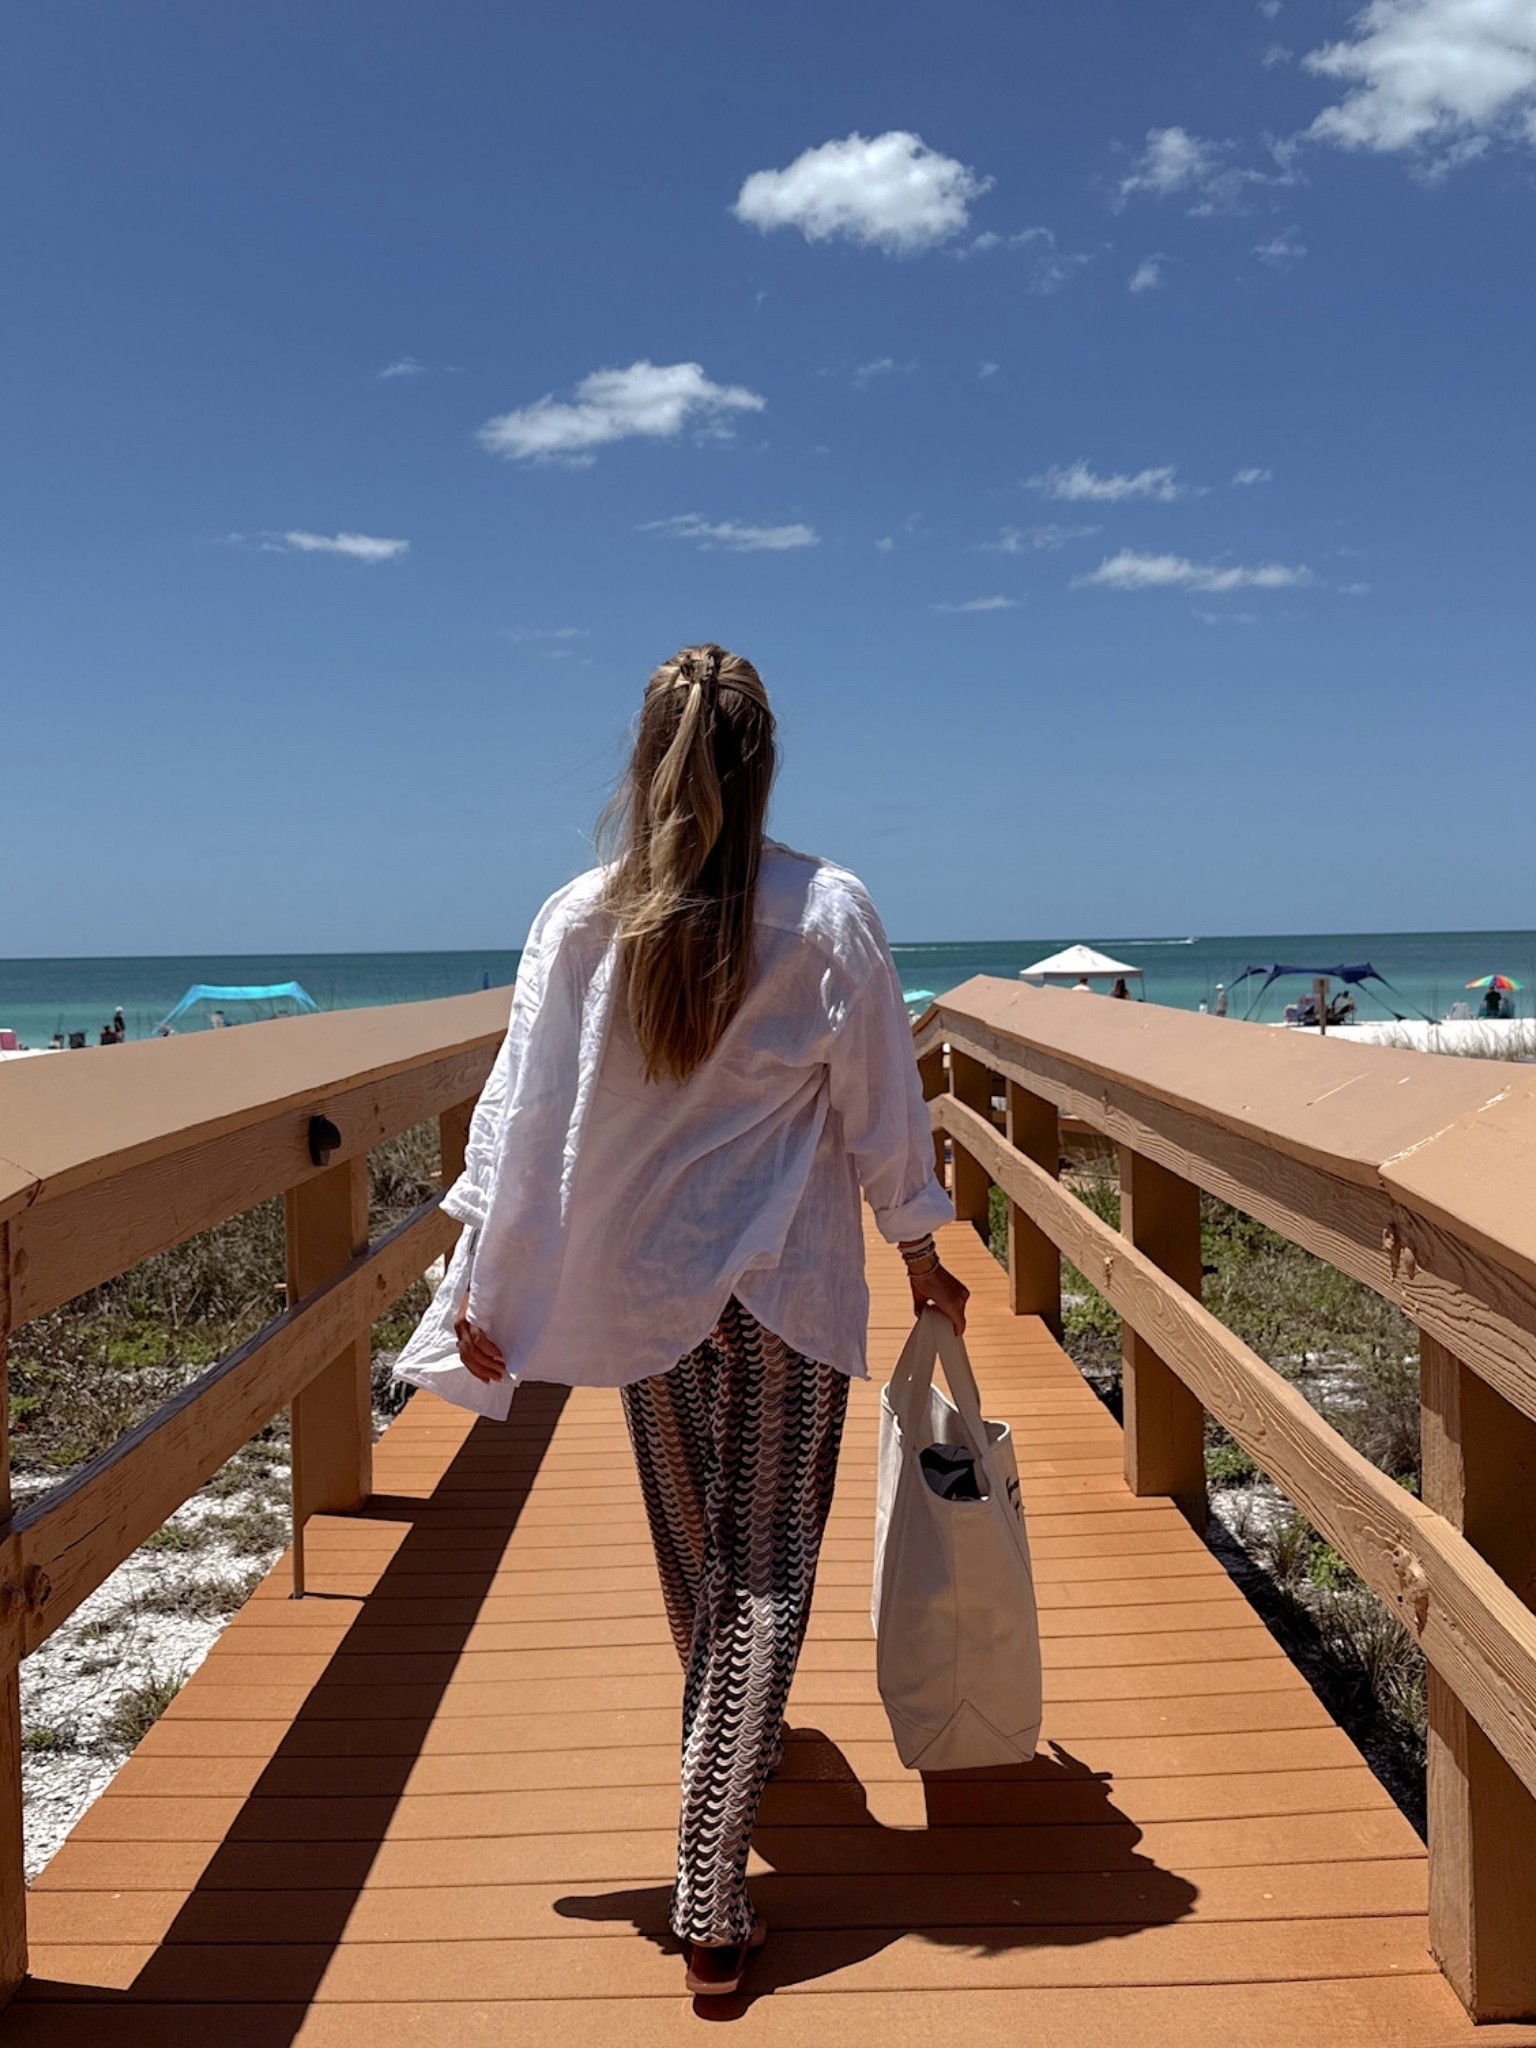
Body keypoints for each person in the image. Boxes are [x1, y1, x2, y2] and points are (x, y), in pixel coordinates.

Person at [392, 643, 967, 1999]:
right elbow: (885, 1109)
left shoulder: (580, 916)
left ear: (645, 762)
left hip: (643, 1288)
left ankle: (732, 1762)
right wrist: (922, 1252)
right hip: (783, 1278)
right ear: (766, 763)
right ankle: (713, 1889)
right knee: (761, 1562)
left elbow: (523, 1121)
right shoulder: (828, 914)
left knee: (699, 1554)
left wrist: (482, 1284)